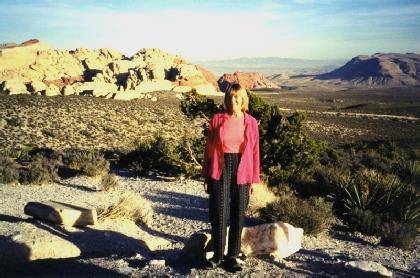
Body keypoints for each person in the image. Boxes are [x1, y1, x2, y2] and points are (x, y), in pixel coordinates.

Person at [201, 83, 261, 273]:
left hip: (242, 168)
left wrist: (253, 178)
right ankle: (218, 256)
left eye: (238, 97)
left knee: (238, 213)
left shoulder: (251, 122)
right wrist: (206, 175)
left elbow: (254, 152)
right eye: (231, 97)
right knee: (219, 212)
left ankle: (232, 256)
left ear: (243, 100)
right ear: (226, 99)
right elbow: (209, 150)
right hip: (220, 167)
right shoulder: (217, 119)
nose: (234, 101)